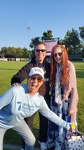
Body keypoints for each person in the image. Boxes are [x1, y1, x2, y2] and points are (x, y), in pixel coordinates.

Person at [0, 67, 72, 150]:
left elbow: (49, 114)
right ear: (28, 79)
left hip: (17, 121)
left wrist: (67, 125)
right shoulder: (15, 91)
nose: (35, 82)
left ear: (42, 83)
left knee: (31, 141)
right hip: (1, 123)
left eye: (39, 79)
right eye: (33, 78)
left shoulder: (40, 100)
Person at [11, 42, 50, 150]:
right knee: (27, 124)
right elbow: (16, 77)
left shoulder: (49, 66)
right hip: (30, 100)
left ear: (45, 52)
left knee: (44, 121)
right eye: (38, 50)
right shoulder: (30, 66)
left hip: (44, 99)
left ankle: (42, 140)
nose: (40, 53)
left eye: (42, 50)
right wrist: (16, 83)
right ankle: (25, 145)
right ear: (35, 52)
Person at [46, 44, 78, 150]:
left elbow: (73, 89)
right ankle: (56, 144)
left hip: (65, 101)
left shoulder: (69, 66)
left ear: (64, 53)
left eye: (60, 54)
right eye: (55, 55)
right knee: (55, 123)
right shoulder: (55, 66)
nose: (57, 57)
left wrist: (72, 106)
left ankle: (66, 146)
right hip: (55, 101)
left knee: (67, 123)